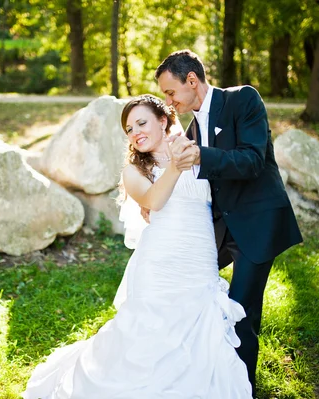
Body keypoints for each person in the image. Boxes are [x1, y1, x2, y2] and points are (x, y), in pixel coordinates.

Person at [21, 94, 253, 398]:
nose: (135, 133)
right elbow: (155, 200)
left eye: (141, 123)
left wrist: (187, 155)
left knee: (200, 334)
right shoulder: (134, 171)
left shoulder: (197, 152)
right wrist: (176, 166)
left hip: (199, 260)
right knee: (150, 336)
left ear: (163, 120)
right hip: (160, 264)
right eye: (129, 129)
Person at [154, 49, 303, 396]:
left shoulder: (243, 100)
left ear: (192, 80)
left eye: (170, 91)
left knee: (241, 310)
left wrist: (202, 156)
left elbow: (252, 160)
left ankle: (240, 388)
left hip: (258, 222)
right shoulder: (192, 126)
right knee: (185, 287)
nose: (169, 100)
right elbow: (200, 181)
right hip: (220, 229)